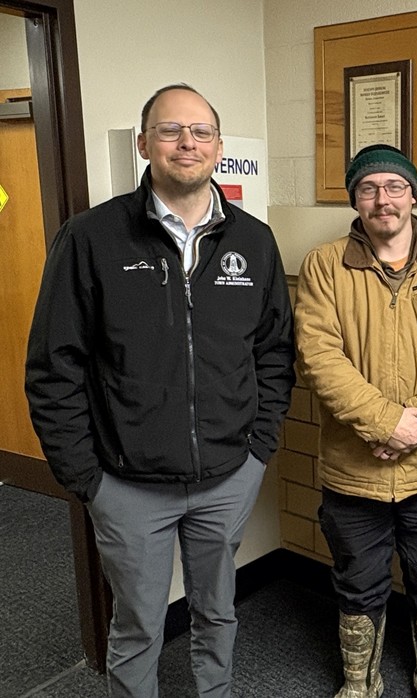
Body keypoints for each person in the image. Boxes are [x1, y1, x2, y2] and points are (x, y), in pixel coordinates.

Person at [25, 84, 296, 697]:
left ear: (220, 147)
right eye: (171, 131)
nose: (187, 143)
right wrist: (87, 478)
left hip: (227, 477)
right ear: (145, 142)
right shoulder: (91, 237)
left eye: (201, 132)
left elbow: (275, 351)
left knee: (218, 613)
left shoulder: (253, 241)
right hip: (127, 486)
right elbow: (53, 366)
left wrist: (258, 450)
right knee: (138, 627)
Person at [294, 144, 417, 698]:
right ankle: (360, 681)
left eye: (394, 187)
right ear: (355, 198)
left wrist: (415, 427)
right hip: (354, 469)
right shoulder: (324, 265)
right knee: (357, 581)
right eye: (369, 188)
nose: (383, 200)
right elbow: (317, 356)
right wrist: (384, 423)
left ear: (414, 194)